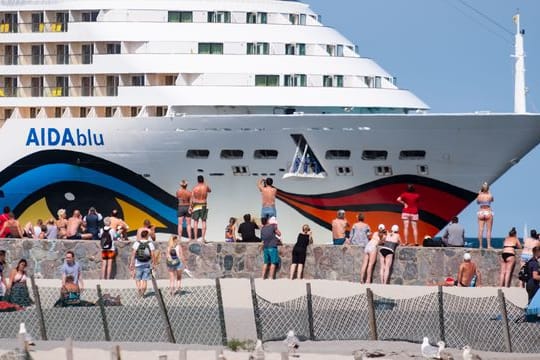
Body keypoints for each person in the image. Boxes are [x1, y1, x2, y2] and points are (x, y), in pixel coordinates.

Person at [130, 230, 156, 296]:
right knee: (144, 280)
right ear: (147, 236)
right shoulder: (150, 243)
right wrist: (153, 263)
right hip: (147, 264)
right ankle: (143, 292)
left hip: (138, 264)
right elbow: (153, 254)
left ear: (141, 235)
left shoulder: (137, 243)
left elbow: (133, 254)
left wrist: (131, 263)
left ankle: (139, 289)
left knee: (138, 279)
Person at [190, 175, 211, 242]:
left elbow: (191, 198)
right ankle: (203, 238)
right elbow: (210, 190)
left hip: (196, 204)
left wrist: (191, 206)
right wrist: (205, 184)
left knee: (195, 222)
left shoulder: (195, 188)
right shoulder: (205, 186)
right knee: (204, 221)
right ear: (203, 180)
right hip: (203, 204)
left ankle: (195, 238)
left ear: (197, 180)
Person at [476, 182, 494, 249]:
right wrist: (489, 192)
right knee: (488, 230)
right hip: (488, 211)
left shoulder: (479, 195)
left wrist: (480, 193)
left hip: (481, 212)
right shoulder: (490, 195)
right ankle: (488, 246)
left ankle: (480, 246)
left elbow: (477, 202)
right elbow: (492, 200)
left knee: (480, 230)